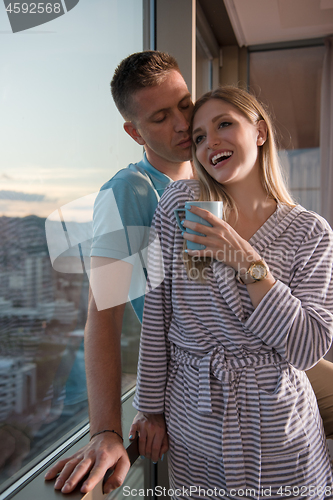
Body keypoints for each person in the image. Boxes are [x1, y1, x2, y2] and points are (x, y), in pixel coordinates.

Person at [133, 86, 333, 499]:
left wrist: (247, 262)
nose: (211, 142)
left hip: (279, 425)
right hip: (196, 417)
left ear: (259, 132)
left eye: (224, 124)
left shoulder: (310, 232)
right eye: (200, 136)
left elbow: (307, 347)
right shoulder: (181, 204)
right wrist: (149, 409)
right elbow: (158, 310)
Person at [44, 50, 193, 494]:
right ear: (134, 132)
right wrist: (105, 430)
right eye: (162, 117)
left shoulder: (215, 169)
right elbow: (104, 314)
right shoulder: (129, 193)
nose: (183, 123)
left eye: (185, 104)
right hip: (199, 385)